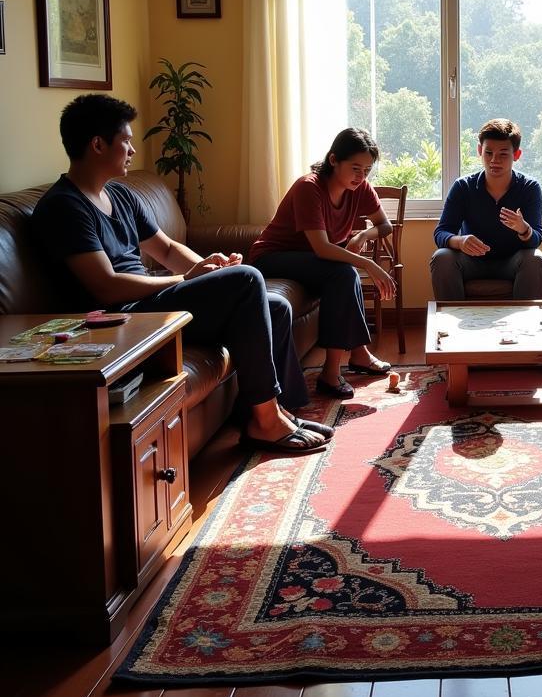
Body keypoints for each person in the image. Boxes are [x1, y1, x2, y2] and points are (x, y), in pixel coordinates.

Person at [31, 95, 332, 455]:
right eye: (125, 140)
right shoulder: (64, 207)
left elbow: (169, 250)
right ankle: (266, 422)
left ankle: (270, 412)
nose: (131, 149)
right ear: (97, 144)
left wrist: (209, 267)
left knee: (275, 305)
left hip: (148, 303)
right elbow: (105, 286)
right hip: (120, 317)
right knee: (249, 279)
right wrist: (187, 280)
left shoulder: (120, 196)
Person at [250, 128, 396, 401]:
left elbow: (384, 225)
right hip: (273, 258)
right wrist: (369, 265)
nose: (361, 176)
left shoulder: (360, 188)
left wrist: (363, 234)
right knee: (343, 273)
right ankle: (332, 372)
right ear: (333, 160)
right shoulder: (309, 187)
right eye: (355, 168)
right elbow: (322, 247)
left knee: (343, 274)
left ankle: (358, 355)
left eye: (366, 170)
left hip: (311, 261)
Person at [430, 118, 542, 301]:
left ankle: (525, 325)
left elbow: (537, 238)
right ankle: (450, 324)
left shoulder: (529, 188)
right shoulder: (463, 187)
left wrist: (523, 229)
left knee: (535, 258)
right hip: (470, 263)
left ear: (516, 155)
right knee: (442, 256)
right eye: (489, 153)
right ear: (479, 151)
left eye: (503, 154)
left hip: (512, 263)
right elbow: (441, 232)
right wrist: (460, 242)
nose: (494, 161)